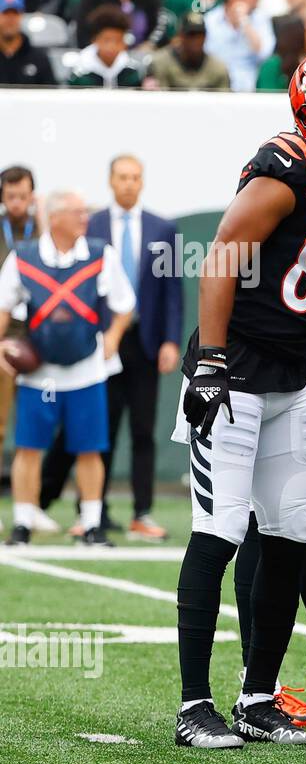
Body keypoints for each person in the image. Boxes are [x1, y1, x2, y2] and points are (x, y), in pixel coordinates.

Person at [170, 61, 306, 749]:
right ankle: (192, 706)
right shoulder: (298, 163)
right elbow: (225, 251)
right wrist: (209, 363)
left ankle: (258, 698)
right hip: (236, 367)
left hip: (294, 375)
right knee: (221, 529)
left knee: (292, 532)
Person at [40, 156, 181, 541]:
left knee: (143, 430)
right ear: (110, 181)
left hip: (146, 342)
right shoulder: (91, 224)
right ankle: (92, 511)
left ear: (142, 182)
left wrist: (171, 339)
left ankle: (143, 513)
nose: (129, 184)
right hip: (101, 343)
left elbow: (172, 290)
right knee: (97, 428)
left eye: (136, 177)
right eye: (122, 177)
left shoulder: (162, 228)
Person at [0, 191, 135, 547]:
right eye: (77, 212)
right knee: (29, 448)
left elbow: (124, 304)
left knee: (90, 448)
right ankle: (22, 524)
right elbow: (3, 305)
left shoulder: (99, 253)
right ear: (56, 217)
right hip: (36, 373)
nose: (84, 218)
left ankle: (91, 525)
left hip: (87, 370)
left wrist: (114, 336)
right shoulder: (23, 257)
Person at [0, 166, 40, 504]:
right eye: (10, 196)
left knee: (35, 425)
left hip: (38, 339)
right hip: (3, 338)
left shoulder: (43, 229)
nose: (17, 203)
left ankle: (29, 505)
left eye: (23, 196)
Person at [202, 0, 274, 92]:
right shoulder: (211, 20)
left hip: (250, 87)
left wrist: (245, 22)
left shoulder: (260, 18)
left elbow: (264, 53)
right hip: (215, 86)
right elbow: (205, 56)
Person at [146, 10, 231, 89]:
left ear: (205, 37)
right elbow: (158, 100)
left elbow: (224, 101)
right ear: (181, 36)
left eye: (200, 35)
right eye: (191, 35)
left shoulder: (217, 68)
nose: (196, 40)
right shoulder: (161, 62)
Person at [68, 5, 145, 88]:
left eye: (118, 41)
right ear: (95, 40)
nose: (112, 46)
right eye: (106, 40)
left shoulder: (132, 72)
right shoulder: (80, 73)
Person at [0, 0, 56, 86]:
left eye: (15, 14)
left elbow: (50, 94)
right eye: (6, 14)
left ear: (21, 16)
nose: (10, 20)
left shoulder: (39, 58)